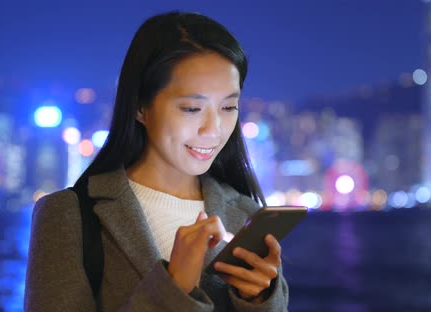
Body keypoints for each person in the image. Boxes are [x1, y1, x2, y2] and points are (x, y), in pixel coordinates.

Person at [24, 11, 289, 311]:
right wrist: (173, 286)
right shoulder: (68, 216)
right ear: (140, 107)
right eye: (191, 108)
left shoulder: (247, 216)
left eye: (229, 107)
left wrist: (258, 300)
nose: (213, 129)